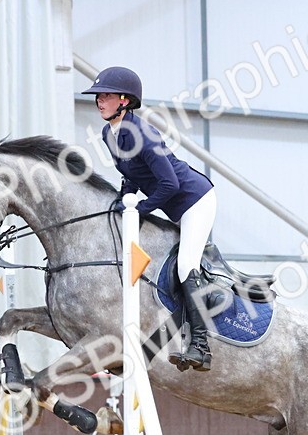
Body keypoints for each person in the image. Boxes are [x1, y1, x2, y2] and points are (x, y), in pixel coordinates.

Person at [82, 66, 217, 372]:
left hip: (195, 200)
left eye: (105, 96)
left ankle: (200, 346)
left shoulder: (142, 133)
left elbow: (170, 183)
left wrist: (139, 209)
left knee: (186, 266)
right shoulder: (109, 133)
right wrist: (122, 198)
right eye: (98, 96)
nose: (99, 101)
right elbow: (130, 173)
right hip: (171, 203)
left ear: (124, 100)